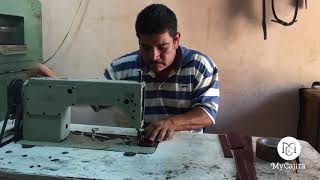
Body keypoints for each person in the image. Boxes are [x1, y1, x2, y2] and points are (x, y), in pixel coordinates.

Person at [34, 3, 219, 143]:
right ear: (138, 40)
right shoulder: (121, 68)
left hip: (186, 146)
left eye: (162, 47)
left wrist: (171, 123)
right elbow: (95, 99)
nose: (154, 56)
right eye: (145, 47)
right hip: (137, 143)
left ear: (176, 39)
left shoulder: (199, 66)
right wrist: (55, 81)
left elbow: (207, 113)